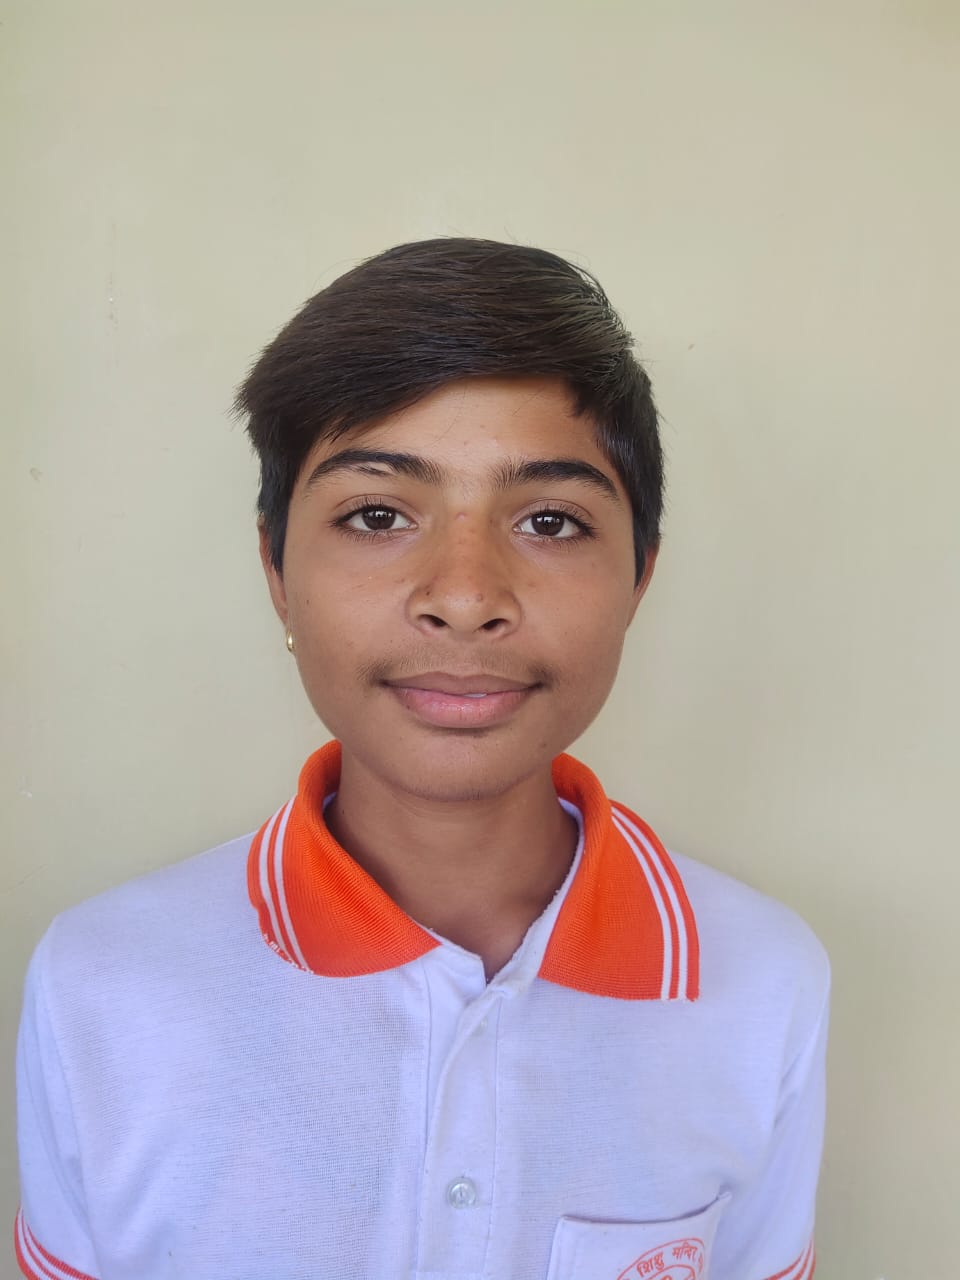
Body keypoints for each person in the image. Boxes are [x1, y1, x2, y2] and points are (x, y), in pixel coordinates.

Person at [14, 238, 828, 1280]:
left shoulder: (763, 979)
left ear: (639, 578)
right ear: (276, 569)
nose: (465, 595)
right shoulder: (103, 983)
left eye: (550, 520)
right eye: (377, 514)